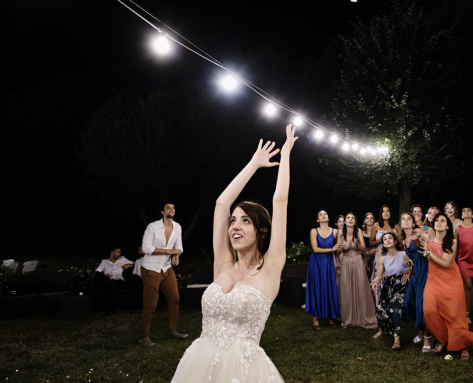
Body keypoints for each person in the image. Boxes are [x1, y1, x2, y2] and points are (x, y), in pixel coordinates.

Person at [170, 125, 298, 382]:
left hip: (244, 373)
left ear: (261, 231)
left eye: (245, 221)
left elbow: (280, 201)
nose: (235, 226)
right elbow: (221, 204)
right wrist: (253, 164)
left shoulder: (271, 267)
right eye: (233, 221)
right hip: (199, 365)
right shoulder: (223, 263)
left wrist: (285, 156)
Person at [422, 213, 473, 360]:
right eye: (437, 221)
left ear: (448, 226)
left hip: (451, 281)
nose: (439, 223)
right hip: (433, 281)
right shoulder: (427, 241)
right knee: (429, 310)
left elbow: (446, 263)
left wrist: (429, 252)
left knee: (455, 315)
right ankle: (444, 339)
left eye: (442, 221)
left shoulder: (452, 241)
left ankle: (463, 346)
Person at [139, 201, 186, 345]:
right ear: (162, 212)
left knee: (174, 299)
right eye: (168, 208)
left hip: (167, 269)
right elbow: (146, 248)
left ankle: (172, 330)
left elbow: (179, 247)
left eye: (173, 208)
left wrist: (176, 255)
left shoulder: (177, 227)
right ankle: (143, 336)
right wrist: (169, 251)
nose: (171, 210)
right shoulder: (152, 227)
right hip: (151, 269)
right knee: (151, 304)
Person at [371, 231, 411, 350]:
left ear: (394, 241)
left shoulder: (403, 254)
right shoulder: (382, 258)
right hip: (389, 285)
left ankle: (397, 339)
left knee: (395, 309)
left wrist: (409, 268)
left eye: (390, 238)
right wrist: (375, 281)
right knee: (380, 309)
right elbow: (379, 276)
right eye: (385, 239)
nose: (387, 240)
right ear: (383, 244)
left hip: (401, 284)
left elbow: (412, 265)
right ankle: (382, 330)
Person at [337, 213, 378, 329]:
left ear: (355, 222)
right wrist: (342, 248)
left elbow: (364, 249)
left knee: (360, 287)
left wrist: (358, 244)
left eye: (353, 218)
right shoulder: (340, 233)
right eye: (348, 218)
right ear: (345, 221)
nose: (350, 219)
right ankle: (348, 318)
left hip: (357, 261)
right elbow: (336, 251)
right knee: (347, 288)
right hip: (346, 262)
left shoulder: (358, 231)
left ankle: (362, 317)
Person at [401, 213, 432, 352]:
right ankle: (421, 330)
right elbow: (412, 258)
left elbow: (426, 249)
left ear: (413, 223)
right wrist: (409, 266)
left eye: (409, 219)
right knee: (409, 303)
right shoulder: (404, 240)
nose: (406, 221)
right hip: (415, 273)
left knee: (421, 305)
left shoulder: (419, 232)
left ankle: (427, 336)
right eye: (403, 219)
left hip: (425, 272)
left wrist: (417, 241)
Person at [306, 210, 341, 329]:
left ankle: (330, 316)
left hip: (329, 263)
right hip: (316, 262)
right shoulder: (313, 231)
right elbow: (315, 249)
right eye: (320, 214)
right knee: (316, 287)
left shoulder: (336, 231)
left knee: (329, 287)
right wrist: (332, 249)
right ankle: (315, 317)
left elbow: (338, 248)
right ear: (317, 220)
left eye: (325, 213)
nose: (324, 215)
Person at [369, 205, 401, 303]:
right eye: (383, 211)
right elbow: (370, 242)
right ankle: (379, 305)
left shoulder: (396, 225)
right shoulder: (376, 225)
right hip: (380, 254)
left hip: (393, 254)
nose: (386, 213)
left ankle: (392, 305)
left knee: (391, 278)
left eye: (388, 211)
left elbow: (400, 241)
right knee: (379, 278)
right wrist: (382, 240)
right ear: (381, 214)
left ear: (390, 213)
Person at [94, 247, 133, 316]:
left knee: (106, 286)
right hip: (109, 281)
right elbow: (97, 272)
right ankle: (110, 310)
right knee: (99, 276)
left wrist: (129, 265)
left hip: (119, 282)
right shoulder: (104, 262)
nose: (120, 254)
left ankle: (110, 310)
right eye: (118, 252)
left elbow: (135, 264)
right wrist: (104, 277)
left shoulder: (122, 259)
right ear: (112, 253)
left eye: (120, 252)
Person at [361, 212, 377, 279]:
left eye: (371, 218)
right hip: (365, 257)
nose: (369, 219)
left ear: (374, 220)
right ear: (365, 220)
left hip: (376, 255)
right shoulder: (361, 233)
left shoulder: (378, 232)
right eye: (367, 218)